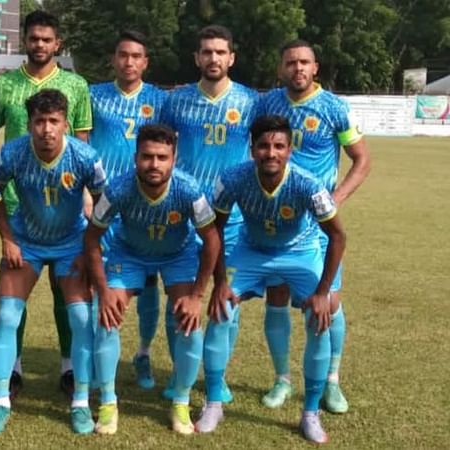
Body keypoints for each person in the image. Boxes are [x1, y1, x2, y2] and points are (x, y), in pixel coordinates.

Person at [0, 9, 93, 398]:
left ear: (58, 44)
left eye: (46, 39)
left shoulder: (75, 85)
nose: (39, 45)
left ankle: (69, 366)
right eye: (33, 38)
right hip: (16, 205)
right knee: (16, 290)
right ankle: (13, 367)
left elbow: (82, 143)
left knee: (64, 290)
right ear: (25, 40)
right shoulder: (5, 85)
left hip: (64, 205)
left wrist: (81, 194)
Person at [196, 115, 346, 444]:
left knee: (319, 318)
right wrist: (220, 282)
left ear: (290, 150)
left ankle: (309, 412)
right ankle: (214, 403)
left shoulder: (308, 183)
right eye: (264, 146)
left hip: (300, 251)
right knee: (221, 311)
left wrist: (322, 293)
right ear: (252, 150)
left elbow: (337, 237)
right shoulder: (233, 178)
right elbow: (215, 230)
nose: (271, 153)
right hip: (252, 251)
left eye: (279, 146)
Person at [256, 39, 371, 413]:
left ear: (315, 67)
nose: (298, 68)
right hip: (274, 222)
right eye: (290, 62)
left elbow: (362, 160)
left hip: (316, 226)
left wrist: (335, 200)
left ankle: (331, 382)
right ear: (281, 68)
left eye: (304, 62)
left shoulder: (333, 107)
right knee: (275, 298)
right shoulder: (267, 103)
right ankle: (281, 380)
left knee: (327, 303)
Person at [84, 124, 220, 435]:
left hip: (177, 255)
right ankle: (107, 403)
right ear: (135, 158)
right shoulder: (117, 189)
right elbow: (92, 238)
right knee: (107, 316)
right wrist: (104, 290)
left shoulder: (189, 189)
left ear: (174, 159)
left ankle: (181, 403)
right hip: (129, 253)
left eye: (162, 157)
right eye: (147, 156)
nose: (154, 164)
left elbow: (211, 240)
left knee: (188, 321)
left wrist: (197, 295)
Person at [0, 89, 105, 435]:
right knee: (7, 316)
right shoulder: (12, 153)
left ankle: (81, 401)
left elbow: (102, 204)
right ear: (30, 124)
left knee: (82, 318)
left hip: (71, 244)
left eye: (54, 121)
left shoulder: (85, 157)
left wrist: (87, 247)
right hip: (26, 242)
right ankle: (1, 402)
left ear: (66, 124)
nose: (47, 129)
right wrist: (7, 238)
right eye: (40, 121)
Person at [159, 24, 259, 401]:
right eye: (206, 52)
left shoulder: (251, 102)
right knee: (180, 299)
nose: (213, 58)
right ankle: (179, 372)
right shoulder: (177, 101)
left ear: (231, 57)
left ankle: (216, 379)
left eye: (220, 52)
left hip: (231, 220)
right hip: (183, 217)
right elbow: (161, 151)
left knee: (224, 299)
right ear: (196, 58)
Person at [88, 30, 169, 389]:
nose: (129, 62)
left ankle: (143, 353)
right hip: (103, 203)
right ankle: (97, 357)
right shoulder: (93, 96)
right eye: (123, 55)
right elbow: (82, 142)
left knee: (149, 281)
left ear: (145, 62)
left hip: (145, 205)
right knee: (100, 284)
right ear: (113, 59)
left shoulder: (160, 100)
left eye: (137, 56)